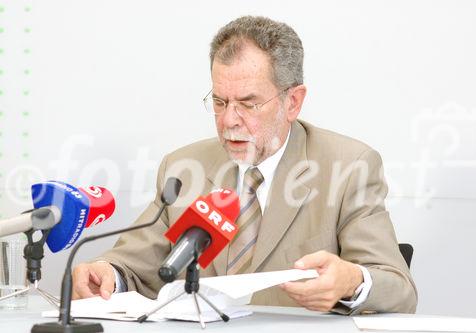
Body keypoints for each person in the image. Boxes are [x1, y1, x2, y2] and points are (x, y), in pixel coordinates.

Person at [72, 16, 417, 315]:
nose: (229, 121)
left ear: (292, 101)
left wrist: (351, 281)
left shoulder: (348, 166)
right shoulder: (184, 166)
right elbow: (137, 264)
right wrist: (107, 272)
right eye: (220, 102)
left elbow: (399, 289)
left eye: (249, 104)